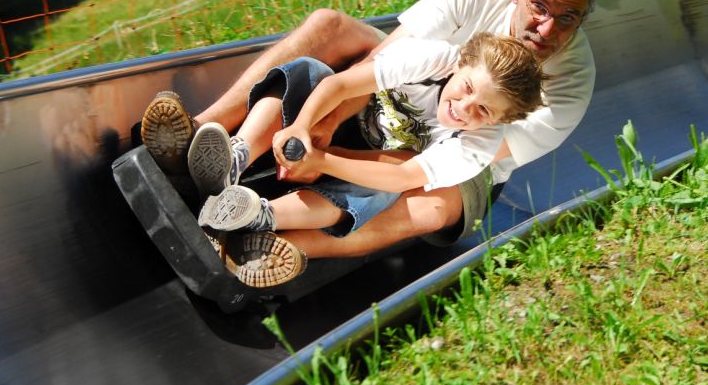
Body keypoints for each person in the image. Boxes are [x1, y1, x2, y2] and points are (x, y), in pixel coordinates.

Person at [140, 0, 604, 285]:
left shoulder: (557, 91)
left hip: (443, 160)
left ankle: (265, 244)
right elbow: (377, 65)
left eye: (567, 19)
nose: (547, 29)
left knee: (430, 206)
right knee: (326, 28)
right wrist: (318, 126)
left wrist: (323, 158)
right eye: (540, 6)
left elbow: (420, 170)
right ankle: (205, 140)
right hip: (399, 94)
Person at [184, 33, 544, 287]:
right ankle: (237, 155)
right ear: (460, 64)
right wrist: (302, 129)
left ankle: (259, 216)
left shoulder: (480, 144)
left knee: (382, 188)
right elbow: (340, 86)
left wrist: (320, 161)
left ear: (499, 121)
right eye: (466, 88)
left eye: (483, 110)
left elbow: (403, 177)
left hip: (377, 166)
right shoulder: (433, 59)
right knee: (310, 71)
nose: (464, 108)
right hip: (347, 125)